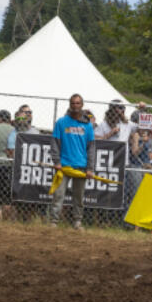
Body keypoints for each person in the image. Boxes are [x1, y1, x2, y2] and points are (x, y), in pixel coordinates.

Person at [49, 93, 93, 230]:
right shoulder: (61, 122)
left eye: (78, 103)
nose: (75, 106)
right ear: (70, 104)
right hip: (63, 166)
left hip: (81, 166)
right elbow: (55, 143)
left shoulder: (88, 125)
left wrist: (90, 168)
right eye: (73, 103)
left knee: (78, 196)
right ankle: (54, 222)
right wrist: (56, 161)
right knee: (58, 195)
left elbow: (91, 147)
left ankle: (77, 222)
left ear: (82, 105)